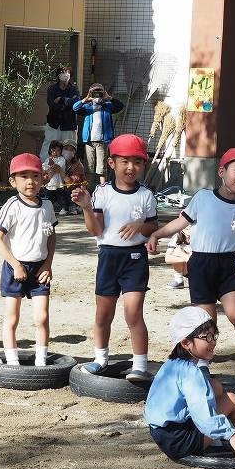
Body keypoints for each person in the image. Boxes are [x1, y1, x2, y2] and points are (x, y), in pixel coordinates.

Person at [146, 148, 235, 378]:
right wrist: (156, 234)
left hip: (227, 265)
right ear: (221, 172)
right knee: (206, 321)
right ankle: (202, 360)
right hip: (200, 264)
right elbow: (180, 222)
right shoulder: (203, 197)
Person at [71, 134, 159, 383]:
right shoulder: (102, 192)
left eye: (137, 162)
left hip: (135, 259)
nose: (131, 167)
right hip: (108, 257)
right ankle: (100, 359)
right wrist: (87, 208)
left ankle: (139, 365)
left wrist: (140, 226)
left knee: (133, 314)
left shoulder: (146, 195)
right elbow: (96, 230)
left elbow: (153, 227)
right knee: (103, 314)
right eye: (125, 161)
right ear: (112, 163)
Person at [144, 307, 235, 463]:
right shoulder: (192, 374)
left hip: (161, 433)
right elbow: (203, 417)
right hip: (180, 441)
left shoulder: (171, 365)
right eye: (207, 337)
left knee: (214, 386)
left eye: (214, 335)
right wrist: (232, 435)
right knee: (231, 400)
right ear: (185, 342)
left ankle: (214, 440)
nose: (213, 342)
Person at [0, 153, 58, 368]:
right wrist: (16, 265)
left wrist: (48, 264)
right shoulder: (12, 205)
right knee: (12, 317)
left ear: (43, 178)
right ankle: (12, 362)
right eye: (24, 176)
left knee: (42, 317)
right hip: (15, 268)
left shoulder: (47, 205)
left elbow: (51, 235)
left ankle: (41, 361)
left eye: (35, 176)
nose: (30, 181)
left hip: (40, 269)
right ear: (13, 181)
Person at [73, 83, 124, 188]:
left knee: (102, 167)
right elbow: (75, 108)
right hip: (89, 141)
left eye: (99, 92)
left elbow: (120, 106)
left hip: (102, 141)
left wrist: (109, 97)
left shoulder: (107, 106)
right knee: (88, 167)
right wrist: (86, 99)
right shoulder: (87, 107)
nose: (97, 95)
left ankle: (103, 189)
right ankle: (86, 190)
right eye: (94, 92)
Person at [41, 65, 80, 161]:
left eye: (67, 72)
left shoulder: (74, 89)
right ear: (58, 75)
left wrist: (61, 99)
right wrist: (67, 104)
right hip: (54, 123)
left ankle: (68, 168)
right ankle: (44, 166)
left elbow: (76, 103)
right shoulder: (52, 88)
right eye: (62, 72)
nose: (65, 75)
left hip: (68, 124)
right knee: (49, 146)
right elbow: (52, 104)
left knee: (69, 149)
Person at [43, 139, 74, 215]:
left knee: (61, 197)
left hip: (59, 184)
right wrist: (49, 168)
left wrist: (51, 167)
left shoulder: (62, 159)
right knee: (48, 198)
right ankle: (48, 209)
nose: (55, 152)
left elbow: (58, 167)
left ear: (61, 151)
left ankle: (64, 208)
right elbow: (44, 168)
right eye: (53, 150)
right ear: (50, 151)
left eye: (58, 150)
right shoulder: (47, 159)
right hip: (49, 184)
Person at [61, 139, 85, 215]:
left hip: (73, 189)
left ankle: (73, 206)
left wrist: (60, 172)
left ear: (75, 152)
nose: (68, 151)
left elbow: (72, 183)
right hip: (59, 188)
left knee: (67, 189)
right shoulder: (58, 161)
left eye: (71, 150)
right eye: (66, 149)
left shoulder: (78, 165)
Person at [164, 224, 191, 289]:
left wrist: (183, 254)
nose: (189, 227)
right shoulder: (176, 237)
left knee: (178, 251)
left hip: (200, 267)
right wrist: (184, 258)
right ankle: (178, 280)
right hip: (188, 267)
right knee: (175, 252)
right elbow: (167, 258)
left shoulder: (202, 236)